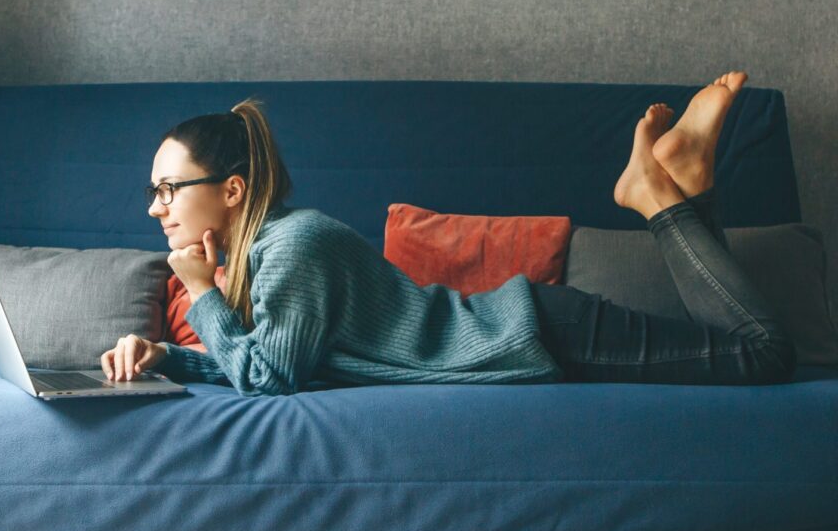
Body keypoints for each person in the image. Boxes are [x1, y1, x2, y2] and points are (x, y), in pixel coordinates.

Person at [100, 71, 796, 397]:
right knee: (746, 352)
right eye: (153, 192)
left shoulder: (294, 246)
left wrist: (201, 296)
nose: (156, 209)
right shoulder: (266, 252)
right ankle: (689, 179)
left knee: (763, 357)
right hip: (533, 330)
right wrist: (164, 356)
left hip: (536, 333)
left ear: (231, 191)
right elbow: (272, 357)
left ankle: (662, 197)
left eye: (168, 190)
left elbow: (267, 378)